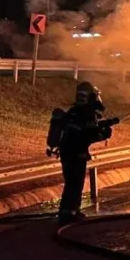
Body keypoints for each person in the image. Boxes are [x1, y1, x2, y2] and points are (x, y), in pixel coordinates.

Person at [52, 81, 117, 225]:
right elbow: (90, 134)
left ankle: (68, 211)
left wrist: (105, 124)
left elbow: (83, 129)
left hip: (66, 152)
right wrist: (105, 134)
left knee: (71, 182)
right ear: (92, 97)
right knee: (76, 183)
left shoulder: (73, 111)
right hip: (77, 153)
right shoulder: (87, 112)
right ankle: (70, 214)